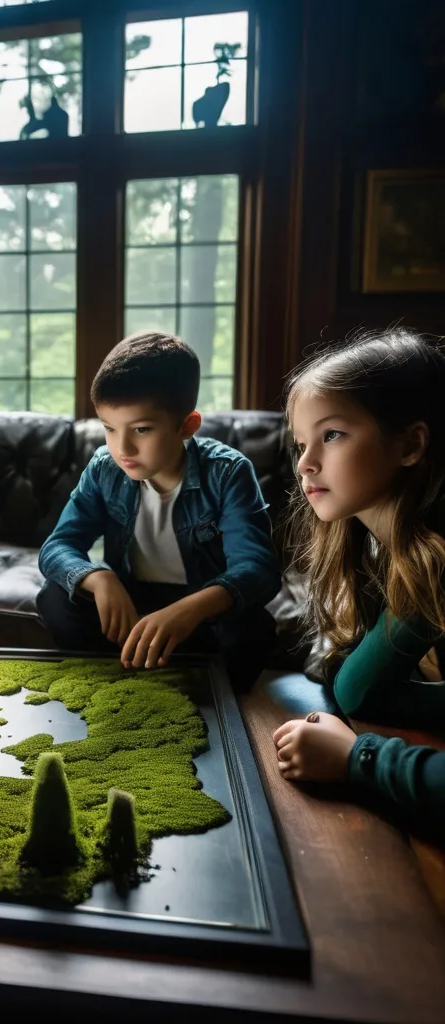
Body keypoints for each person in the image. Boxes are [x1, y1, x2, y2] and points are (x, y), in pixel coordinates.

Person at [36, 331, 280, 686]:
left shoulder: (228, 471)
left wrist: (189, 609)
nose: (123, 449)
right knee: (55, 598)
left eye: (142, 429)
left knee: (251, 628)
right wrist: (99, 577)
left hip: (201, 610)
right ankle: (121, 672)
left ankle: (200, 683)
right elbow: (57, 547)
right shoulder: (105, 467)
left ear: (187, 426)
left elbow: (257, 568)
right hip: (132, 603)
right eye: (109, 429)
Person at [272, 328, 445, 825]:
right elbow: (357, 687)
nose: (305, 463)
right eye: (301, 443)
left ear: (410, 444)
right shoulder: (388, 552)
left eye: (332, 435)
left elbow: (360, 691)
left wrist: (358, 758)